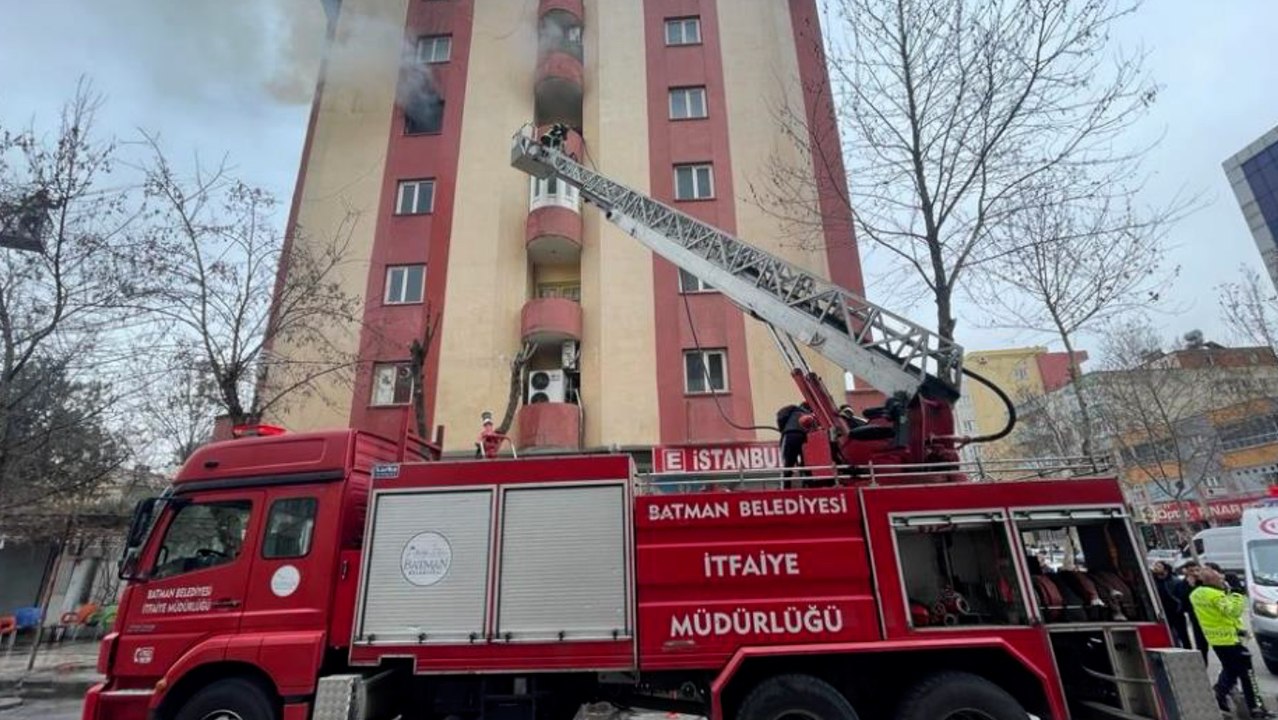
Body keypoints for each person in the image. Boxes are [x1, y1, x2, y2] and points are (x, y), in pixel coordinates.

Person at [1191, 564, 1275, 718]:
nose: (1223, 579)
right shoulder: (1215, 595)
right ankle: (1255, 708)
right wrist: (1236, 592)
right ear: (1213, 579)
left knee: (1231, 669)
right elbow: (1233, 611)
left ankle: (1220, 693)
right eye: (1220, 577)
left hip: (1216, 639)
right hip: (1229, 640)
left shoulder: (1196, 594)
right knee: (1247, 674)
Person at [1152, 561, 1192, 649]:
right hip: (1162, 612)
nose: (1155, 568)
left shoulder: (1175, 581)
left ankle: (1187, 650)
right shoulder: (1153, 582)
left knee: (1183, 635)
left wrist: (1180, 608)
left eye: (1158, 566)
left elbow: (1181, 597)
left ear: (1165, 569)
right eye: (1155, 566)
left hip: (1176, 613)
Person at [1177, 561, 1211, 664]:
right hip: (1196, 616)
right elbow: (1183, 598)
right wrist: (1190, 586)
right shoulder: (1183, 584)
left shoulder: (1204, 582)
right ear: (1186, 572)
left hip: (1210, 615)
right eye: (1191, 571)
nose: (1195, 573)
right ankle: (1203, 663)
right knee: (1201, 644)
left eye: (1197, 570)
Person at [776, 402, 811, 481]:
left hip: (790, 435)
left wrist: (782, 429)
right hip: (803, 437)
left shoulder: (791, 411)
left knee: (788, 462)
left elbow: (780, 416)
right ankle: (808, 481)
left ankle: (786, 486)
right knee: (805, 462)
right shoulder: (808, 414)